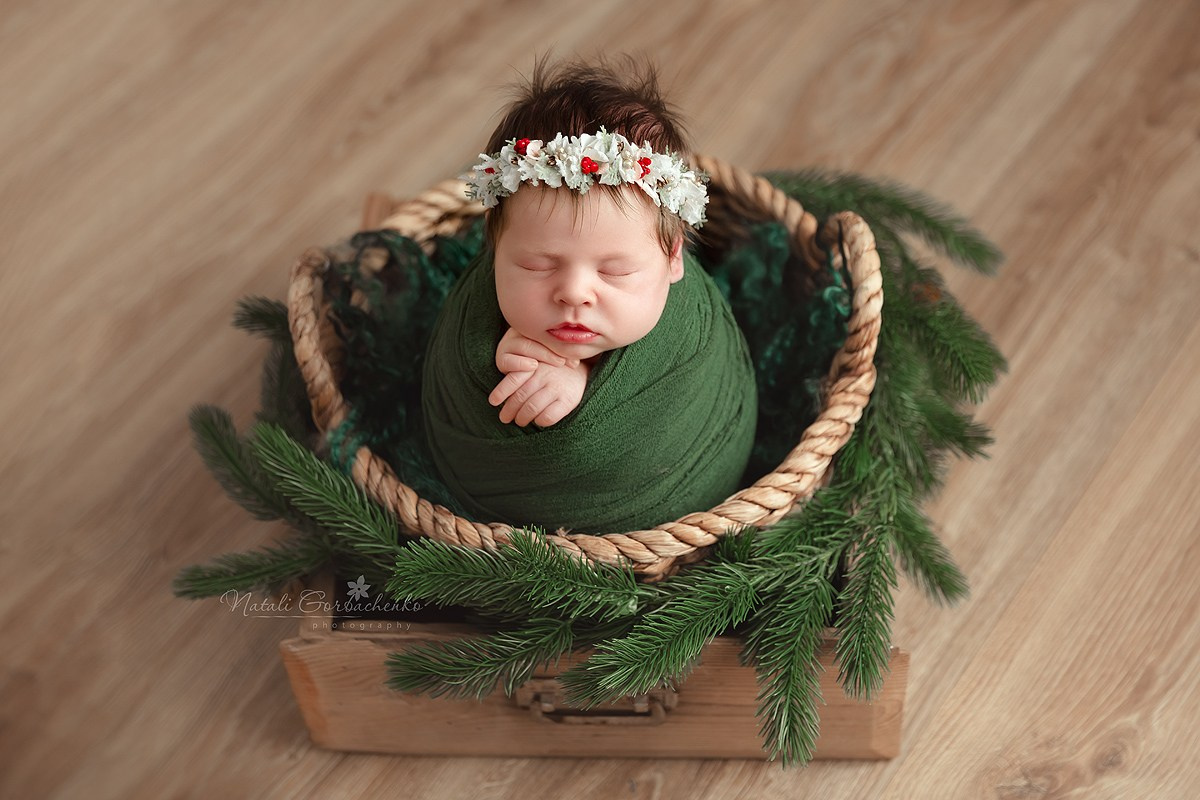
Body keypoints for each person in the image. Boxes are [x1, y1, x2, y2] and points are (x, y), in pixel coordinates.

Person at [421, 57, 757, 533]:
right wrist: (496, 362)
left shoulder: (689, 332)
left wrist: (581, 388)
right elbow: (465, 376)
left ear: (673, 259)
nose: (575, 293)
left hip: (666, 502)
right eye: (537, 265)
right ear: (494, 249)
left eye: (616, 271)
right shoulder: (479, 300)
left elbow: (678, 399)